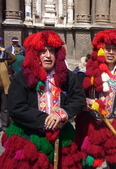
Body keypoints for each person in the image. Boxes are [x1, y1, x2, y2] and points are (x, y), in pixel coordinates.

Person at [0, 30, 86, 169]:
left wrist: (62, 114)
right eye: (43, 51)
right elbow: (16, 107)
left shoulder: (66, 75)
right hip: (30, 136)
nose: (47, 56)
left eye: (51, 51)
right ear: (36, 54)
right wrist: (45, 120)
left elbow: (79, 98)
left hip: (61, 135)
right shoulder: (23, 76)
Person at [75, 29, 116, 169]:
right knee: (89, 164)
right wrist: (87, 103)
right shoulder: (87, 74)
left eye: (114, 49)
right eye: (107, 49)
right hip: (93, 127)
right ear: (101, 51)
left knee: (115, 164)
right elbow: (77, 98)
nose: (110, 52)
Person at [0, 46, 17, 133]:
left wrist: (5, 50)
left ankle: (4, 125)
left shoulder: (5, 61)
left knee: (4, 108)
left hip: (4, 88)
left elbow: (14, 58)